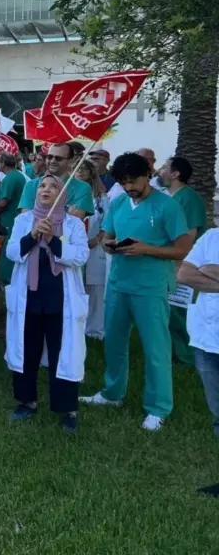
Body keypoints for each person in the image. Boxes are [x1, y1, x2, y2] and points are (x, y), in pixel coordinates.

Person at [81, 152, 191, 430]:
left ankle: (158, 408)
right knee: (114, 343)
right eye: (124, 181)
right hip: (118, 283)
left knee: (156, 348)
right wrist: (109, 245)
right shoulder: (118, 203)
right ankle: (111, 393)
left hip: (151, 287)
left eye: (134, 180)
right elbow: (107, 236)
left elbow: (182, 249)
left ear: (147, 175)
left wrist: (146, 249)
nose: (130, 186)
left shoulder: (167, 206)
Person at [5, 175, 90, 433]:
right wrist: (32, 235)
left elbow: (80, 256)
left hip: (60, 299)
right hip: (29, 297)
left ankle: (66, 407)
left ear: (63, 195)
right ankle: (26, 401)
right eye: (42, 185)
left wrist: (53, 238)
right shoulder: (23, 220)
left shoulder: (73, 224)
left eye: (54, 186)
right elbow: (12, 252)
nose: (46, 189)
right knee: (26, 349)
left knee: (62, 352)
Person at [175, 230, 219, 497]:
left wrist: (209, 270)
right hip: (207, 340)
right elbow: (184, 274)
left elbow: (198, 273)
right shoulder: (212, 237)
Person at [159, 156, 208, 367]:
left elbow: (189, 234)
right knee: (169, 310)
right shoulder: (169, 197)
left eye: (164, 167)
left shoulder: (189, 198)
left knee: (180, 311)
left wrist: (179, 260)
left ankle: (187, 358)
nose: (159, 171)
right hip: (168, 262)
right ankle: (172, 354)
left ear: (175, 174)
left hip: (183, 264)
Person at [74, 159, 108, 339]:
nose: (79, 172)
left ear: (91, 173)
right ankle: (78, 327)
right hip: (75, 248)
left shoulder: (101, 198)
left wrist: (97, 238)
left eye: (83, 169)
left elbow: (108, 223)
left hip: (94, 248)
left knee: (95, 290)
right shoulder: (68, 195)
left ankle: (95, 331)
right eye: (76, 169)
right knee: (77, 288)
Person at [19, 142, 93, 219]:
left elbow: (75, 220)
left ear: (70, 161)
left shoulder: (82, 188)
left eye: (58, 158)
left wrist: (40, 214)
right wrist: (65, 214)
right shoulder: (31, 185)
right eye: (49, 157)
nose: (53, 161)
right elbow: (26, 220)